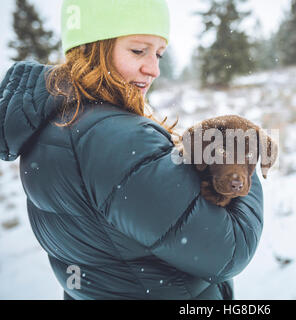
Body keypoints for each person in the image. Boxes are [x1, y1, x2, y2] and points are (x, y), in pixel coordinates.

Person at [0, 0, 263, 300]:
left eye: (159, 54)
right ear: (92, 47)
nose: (153, 69)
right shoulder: (114, 139)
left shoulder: (52, 124)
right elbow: (228, 252)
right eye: (138, 50)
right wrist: (242, 160)